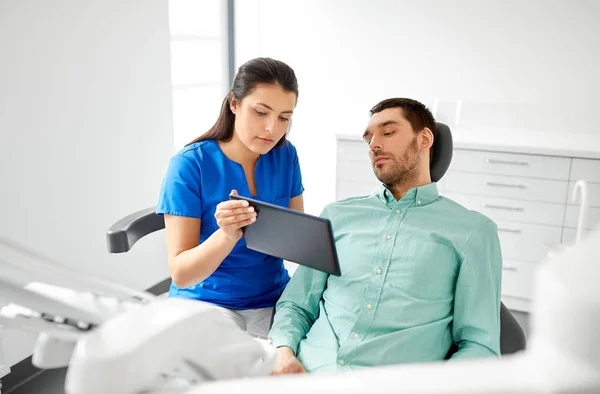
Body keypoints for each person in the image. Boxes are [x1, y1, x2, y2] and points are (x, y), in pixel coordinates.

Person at [268, 98, 502, 374]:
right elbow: (296, 304)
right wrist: (284, 354)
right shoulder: (336, 216)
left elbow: (479, 345)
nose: (374, 144)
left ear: (424, 138)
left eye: (388, 132)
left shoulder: (472, 231)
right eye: (369, 138)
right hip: (307, 374)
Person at [156, 57, 304, 338]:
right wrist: (226, 235)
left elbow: (294, 241)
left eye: (285, 117)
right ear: (234, 104)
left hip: (273, 298)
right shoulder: (189, 165)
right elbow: (182, 274)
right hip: (206, 300)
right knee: (231, 370)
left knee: (297, 369)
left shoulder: (286, 155)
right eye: (261, 112)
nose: (272, 128)